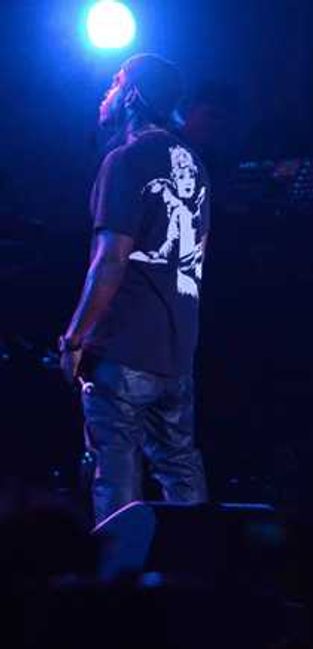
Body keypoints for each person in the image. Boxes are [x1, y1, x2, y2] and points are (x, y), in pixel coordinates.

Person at [59, 54, 210, 525]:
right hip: (176, 349)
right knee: (179, 469)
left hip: (123, 348)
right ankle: (199, 563)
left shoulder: (123, 161)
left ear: (131, 97)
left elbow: (110, 260)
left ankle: (120, 570)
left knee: (116, 475)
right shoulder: (195, 164)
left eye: (116, 82)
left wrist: (75, 337)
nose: (107, 91)